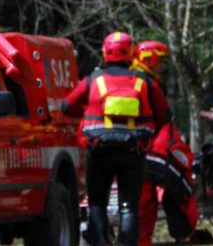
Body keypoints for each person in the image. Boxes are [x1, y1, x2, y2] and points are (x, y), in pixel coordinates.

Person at [62, 31, 170, 246]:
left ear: (104, 52)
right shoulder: (144, 81)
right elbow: (165, 114)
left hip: (98, 150)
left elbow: (66, 106)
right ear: (131, 53)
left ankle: (101, 243)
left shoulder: (93, 79)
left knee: (97, 203)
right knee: (129, 205)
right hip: (133, 151)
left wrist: (87, 112)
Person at [132, 41, 198, 245]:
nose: (161, 66)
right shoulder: (147, 83)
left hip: (116, 150)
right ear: (148, 59)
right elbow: (165, 115)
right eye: (159, 61)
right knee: (144, 203)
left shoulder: (126, 80)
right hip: (143, 152)